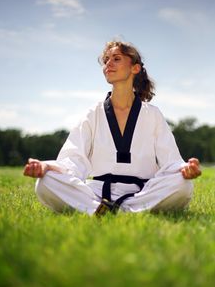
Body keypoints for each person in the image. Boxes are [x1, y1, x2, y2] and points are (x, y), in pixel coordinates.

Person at [23, 40, 201, 216]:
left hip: (142, 192)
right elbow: (73, 159)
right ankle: (104, 209)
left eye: (116, 58)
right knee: (45, 182)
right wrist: (46, 167)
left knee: (183, 184)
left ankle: (107, 210)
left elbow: (170, 161)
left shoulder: (152, 114)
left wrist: (185, 169)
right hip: (97, 192)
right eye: (106, 59)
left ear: (135, 68)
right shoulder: (93, 113)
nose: (108, 63)